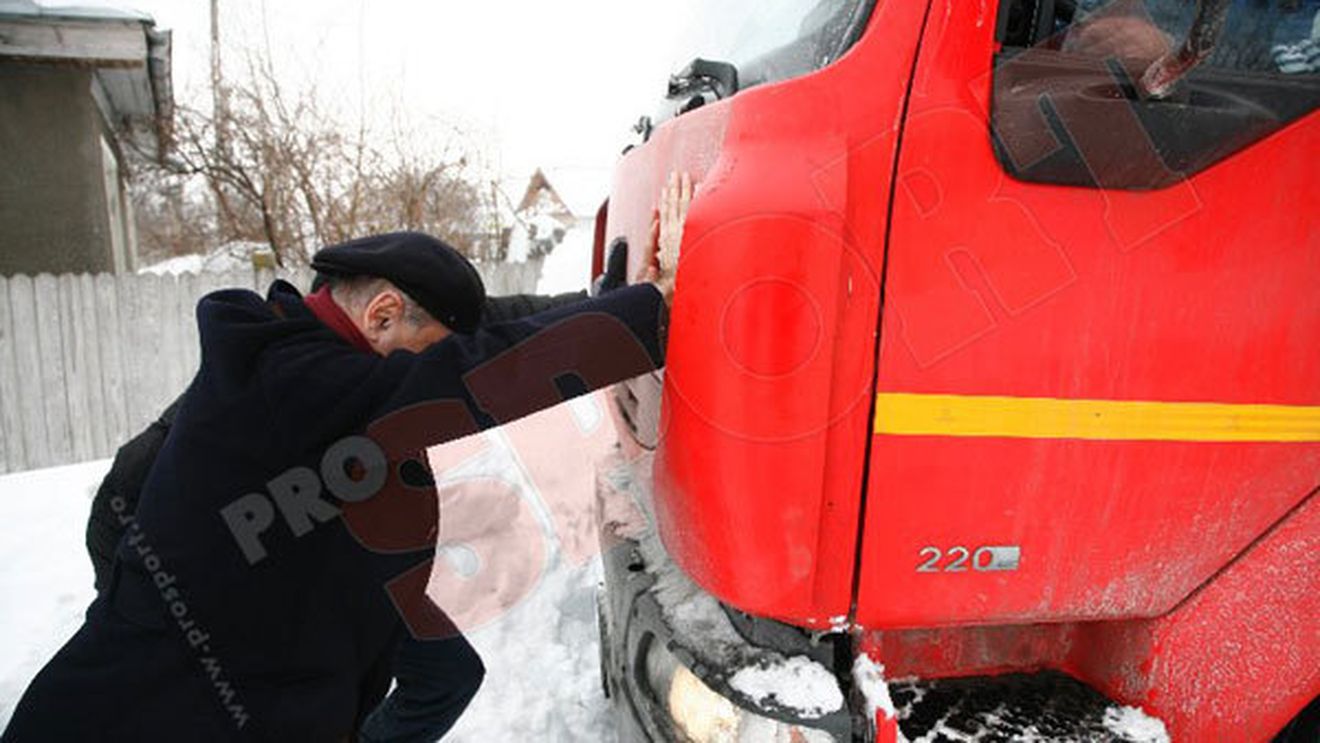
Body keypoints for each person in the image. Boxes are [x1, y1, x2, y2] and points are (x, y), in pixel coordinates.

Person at [5, 173, 692, 741]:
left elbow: (484, 333)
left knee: (443, 674)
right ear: (383, 314)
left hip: (279, 659)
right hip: (148, 719)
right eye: (425, 348)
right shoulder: (286, 380)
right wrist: (648, 314)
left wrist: (607, 302)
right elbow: (470, 372)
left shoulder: (307, 356)